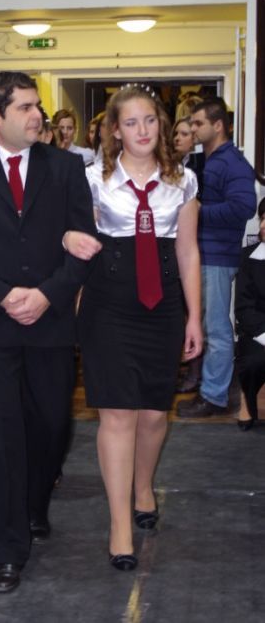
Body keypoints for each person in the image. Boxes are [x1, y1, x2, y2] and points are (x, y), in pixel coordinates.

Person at [0, 71, 97, 593]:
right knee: (1, 435)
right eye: (25, 107)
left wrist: (47, 294)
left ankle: (34, 504)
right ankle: (7, 549)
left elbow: (84, 243)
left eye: (38, 106)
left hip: (51, 321)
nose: (37, 115)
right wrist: (3, 296)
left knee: (51, 425)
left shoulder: (66, 168)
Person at [64, 84, 202, 571]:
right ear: (114, 130)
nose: (142, 130)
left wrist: (195, 317)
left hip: (163, 306)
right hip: (107, 304)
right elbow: (71, 240)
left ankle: (144, 485)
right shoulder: (91, 180)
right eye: (130, 122)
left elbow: (188, 251)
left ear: (160, 124)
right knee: (117, 414)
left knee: (153, 415)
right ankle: (119, 523)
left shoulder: (183, 180)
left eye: (149, 120)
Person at [177, 98, 256, 418]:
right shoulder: (209, 160)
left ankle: (214, 396)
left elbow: (244, 207)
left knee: (216, 328)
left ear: (218, 125)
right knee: (209, 327)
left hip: (217, 256)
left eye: (198, 123)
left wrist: (198, 212)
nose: (193, 129)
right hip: (205, 253)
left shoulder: (232, 163)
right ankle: (213, 390)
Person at [233, 197, 265, 431]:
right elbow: (244, 307)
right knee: (253, 361)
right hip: (258, 332)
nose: (263, 225)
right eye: (262, 218)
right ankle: (247, 398)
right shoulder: (248, 257)